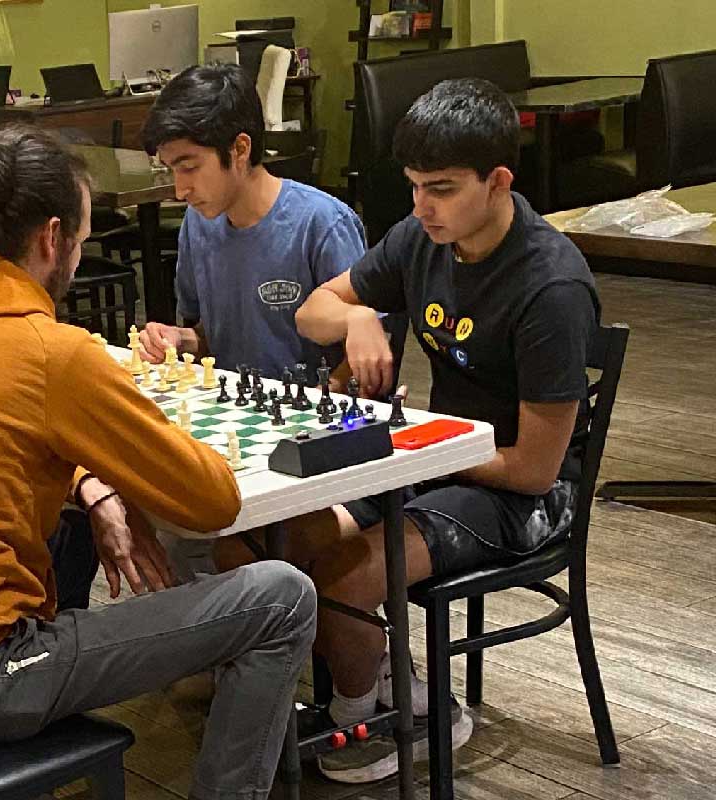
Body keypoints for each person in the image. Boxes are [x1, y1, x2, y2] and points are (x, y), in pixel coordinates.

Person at [0, 124, 318, 800]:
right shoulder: (49, 351)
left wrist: (93, 486)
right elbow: (212, 503)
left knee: (64, 543)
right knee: (282, 596)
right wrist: (121, 455)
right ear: (50, 238)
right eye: (83, 243)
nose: (77, 258)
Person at [294, 78, 599, 783]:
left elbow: (534, 470)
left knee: (347, 568)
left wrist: (421, 448)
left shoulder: (550, 286)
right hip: (438, 459)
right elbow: (313, 311)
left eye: (441, 188)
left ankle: (378, 717)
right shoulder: (421, 239)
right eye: (411, 186)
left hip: (526, 493)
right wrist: (359, 317)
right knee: (290, 529)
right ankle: (393, 691)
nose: (421, 206)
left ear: (498, 182)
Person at [138, 64, 366, 381]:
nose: (179, 191)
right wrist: (179, 340)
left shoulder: (321, 224)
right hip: (235, 410)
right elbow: (207, 337)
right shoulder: (199, 221)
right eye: (170, 170)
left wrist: (322, 403)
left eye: (188, 167)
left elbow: (369, 348)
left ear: (240, 149)